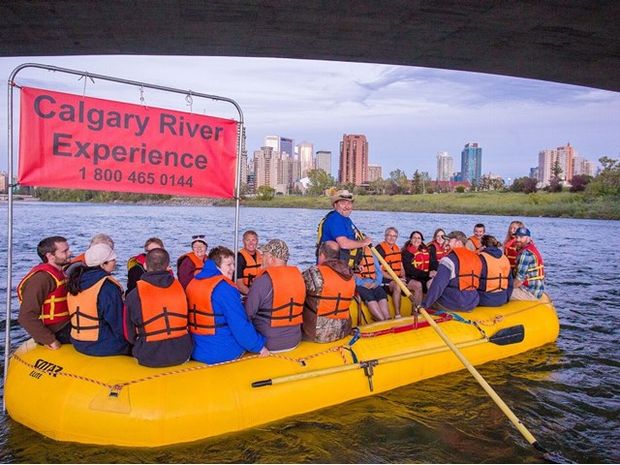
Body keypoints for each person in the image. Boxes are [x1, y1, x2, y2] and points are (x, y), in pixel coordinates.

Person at [186, 246, 268, 364]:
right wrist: (259, 346)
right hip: (221, 351)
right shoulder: (224, 288)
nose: (233, 268)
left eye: (233, 264)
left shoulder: (193, 283)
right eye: (229, 265)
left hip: (196, 350)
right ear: (217, 265)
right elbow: (239, 325)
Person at [125, 248, 193, 367]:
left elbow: (128, 334)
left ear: (145, 265)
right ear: (168, 267)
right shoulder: (182, 289)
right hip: (181, 353)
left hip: (148, 356)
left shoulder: (133, 295)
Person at [66, 243, 130, 356]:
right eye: (112, 260)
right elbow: (118, 322)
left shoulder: (76, 280)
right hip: (101, 344)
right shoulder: (107, 287)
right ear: (103, 263)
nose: (115, 262)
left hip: (77, 340)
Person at [245, 239, 306, 351]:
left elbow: (247, 314)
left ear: (271, 258)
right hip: (294, 340)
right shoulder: (300, 278)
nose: (261, 257)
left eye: (263, 255)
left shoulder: (263, 281)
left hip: (268, 343)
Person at [17, 236, 72, 349]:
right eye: (64, 251)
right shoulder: (42, 278)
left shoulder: (61, 272)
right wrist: (50, 340)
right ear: (50, 256)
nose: (70, 253)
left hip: (67, 323)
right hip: (57, 331)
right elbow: (26, 316)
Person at [302, 241, 355, 343]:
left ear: (321, 254)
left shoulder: (314, 273)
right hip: (343, 330)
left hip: (317, 333)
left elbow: (297, 291)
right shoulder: (349, 274)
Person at [421, 230, 481, 312]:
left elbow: (438, 285)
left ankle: (427, 310)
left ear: (458, 242)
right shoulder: (476, 258)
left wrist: (424, 305)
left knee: (430, 283)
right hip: (472, 302)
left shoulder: (448, 260)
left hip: (453, 303)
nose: (447, 243)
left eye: (449, 241)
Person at [316, 189, 372, 269]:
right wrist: (364, 242)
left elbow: (350, 246)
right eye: (342, 203)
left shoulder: (346, 219)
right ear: (335, 205)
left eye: (349, 203)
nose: (347, 206)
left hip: (343, 268)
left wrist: (355, 265)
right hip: (332, 270)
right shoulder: (335, 219)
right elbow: (344, 244)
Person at [375, 227, 406, 318]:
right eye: (389, 235)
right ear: (385, 236)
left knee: (417, 285)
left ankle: (415, 311)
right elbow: (379, 271)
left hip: (397, 277)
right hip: (384, 280)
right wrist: (396, 279)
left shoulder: (397, 248)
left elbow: (401, 266)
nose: (391, 238)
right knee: (397, 285)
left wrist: (403, 277)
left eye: (394, 236)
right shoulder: (379, 249)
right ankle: (397, 314)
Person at [354, 246, 391, 321]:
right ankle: (381, 319)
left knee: (381, 294)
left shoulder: (371, 254)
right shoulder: (351, 254)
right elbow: (349, 272)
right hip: (359, 283)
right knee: (369, 297)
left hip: (373, 281)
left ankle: (387, 318)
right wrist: (361, 283)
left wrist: (376, 283)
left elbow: (379, 272)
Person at [510, 227, 546, 301]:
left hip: (530, 292)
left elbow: (519, 281)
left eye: (521, 237)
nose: (518, 239)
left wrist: (506, 288)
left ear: (528, 238)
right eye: (517, 237)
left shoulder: (526, 253)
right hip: (536, 289)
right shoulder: (531, 248)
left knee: (500, 293)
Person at [478, 235, 513, 306]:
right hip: (502, 298)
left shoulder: (481, 258)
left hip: (484, 299)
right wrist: (507, 298)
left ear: (483, 246)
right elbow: (510, 282)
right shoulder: (505, 258)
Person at [401, 231, 431, 307]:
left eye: (418, 238)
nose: (416, 240)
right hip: (409, 277)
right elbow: (409, 270)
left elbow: (430, 264)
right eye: (414, 238)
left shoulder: (426, 251)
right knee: (419, 285)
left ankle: (429, 307)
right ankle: (416, 311)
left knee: (432, 282)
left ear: (421, 241)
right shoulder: (406, 252)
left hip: (422, 276)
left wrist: (432, 273)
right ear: (410, 240)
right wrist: (427, 274)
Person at [236, 230, 262, 296]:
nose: (251, 243)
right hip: (243, 294)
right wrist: (252, 295)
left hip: (258, 292)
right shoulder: (239, 258)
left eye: (253, 240)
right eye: (248, 240)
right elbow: (239, 284)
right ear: (243, 241)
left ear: (257, 241)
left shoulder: (261, 256)